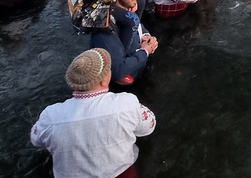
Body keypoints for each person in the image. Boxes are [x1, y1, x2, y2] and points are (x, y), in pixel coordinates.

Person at [30, 48, 156, 178]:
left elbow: (36, 141)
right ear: (104, 80)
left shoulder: (50, 116)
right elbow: (149, 126)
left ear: (73, 84)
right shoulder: (126, 103)